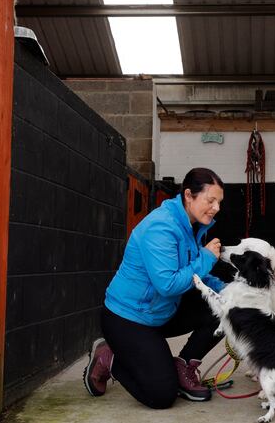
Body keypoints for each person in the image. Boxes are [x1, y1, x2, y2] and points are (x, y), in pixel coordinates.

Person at [83, 167, 227, 408]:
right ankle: (109, 357)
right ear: (189, 195)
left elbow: (197, 276)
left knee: (225, 307)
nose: (216, 208)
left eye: (219, 202)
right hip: (129, 319)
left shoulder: (192, 225)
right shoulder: (161, 227)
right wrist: (206, 258)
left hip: (161, 312)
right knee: (161, 395)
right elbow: (168, 284)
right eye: (210, 200)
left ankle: (184, 368)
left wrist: (235, 294)